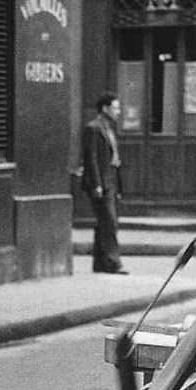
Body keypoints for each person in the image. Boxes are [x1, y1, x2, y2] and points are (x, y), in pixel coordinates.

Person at [81, 91, 129, 273]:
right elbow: (91, 158)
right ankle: (114, 262)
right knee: (110, 223)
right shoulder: (93, 128)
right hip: (101, 183)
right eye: (116, 108)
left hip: (111, 182)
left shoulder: (108, 128)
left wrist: (117, 185)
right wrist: (97, 184)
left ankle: (100, 263)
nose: (119, 112)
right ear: (105, 108)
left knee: (104, 222)